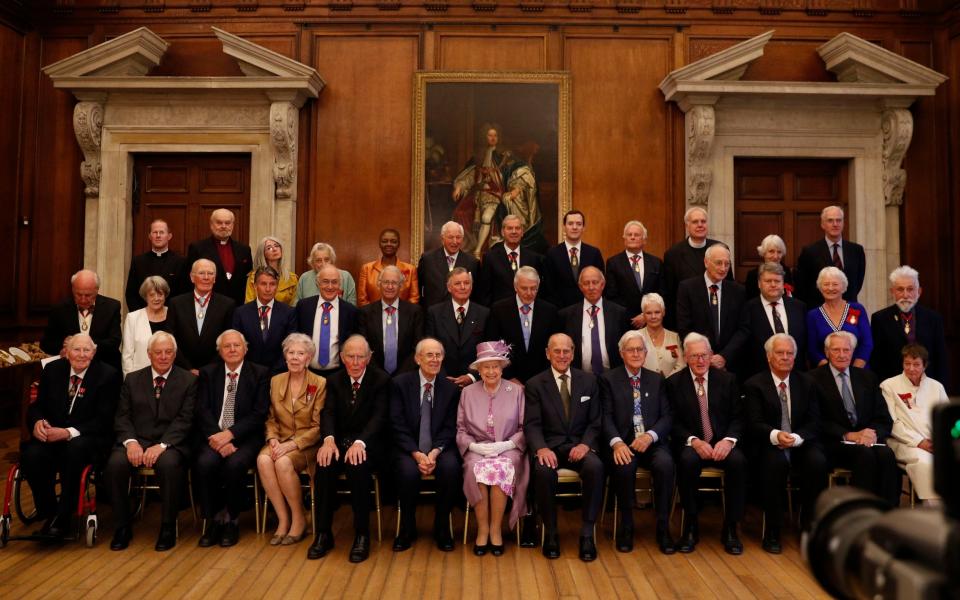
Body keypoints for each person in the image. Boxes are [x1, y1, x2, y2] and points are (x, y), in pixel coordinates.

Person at [21, 334, 120, 538]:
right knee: (31, 454)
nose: (81, 355)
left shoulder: (107, 375)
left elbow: (105, 419)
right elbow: (37, 407)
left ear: (93, 353)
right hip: (52, 436)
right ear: (66, 353)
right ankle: (49, 512)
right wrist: (38, 421)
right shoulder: (53, 370)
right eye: (76, 350)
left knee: (74, 450)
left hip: (89, 437)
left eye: (86, 350)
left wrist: (68, 433)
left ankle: (65, 516)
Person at [106, 331, 197, 551]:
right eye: (158, 352)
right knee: (115, 464)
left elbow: (186, 419)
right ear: (149, 354)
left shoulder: (188, 380)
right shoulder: (133, 379)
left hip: (171, 443)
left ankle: (167, 526)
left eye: (168, 352)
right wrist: (131, 442)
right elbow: (122, 416)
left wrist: (163, 445)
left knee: (168, 464)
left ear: (175, 355)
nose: (163, 356)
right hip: (137, 440)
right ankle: (122, 526)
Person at [742, 334, 828, 554]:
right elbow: (753, 424)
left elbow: (815, 421)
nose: (785, 357)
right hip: (768, 442)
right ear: (769, 357)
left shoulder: (807, 382)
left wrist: (798, 438)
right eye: (780, 353)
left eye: (790, 353)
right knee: (774, 465)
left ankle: (810, 527)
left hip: (800, 441)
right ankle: (773, 530)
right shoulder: (754, 384)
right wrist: (776, 435)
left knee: (817, 462)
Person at [310, 335, 390, 563]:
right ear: (342, 358)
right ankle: (323, 534)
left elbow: (379, 418)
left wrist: (360, 442)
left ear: (368, 358)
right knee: (324, 465)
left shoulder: (381, 380)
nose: (355, 362)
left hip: (369, 443)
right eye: (350, 357)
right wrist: (328, 439)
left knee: (358, 466)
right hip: (339, 440)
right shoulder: (334, 381)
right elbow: (328, 413)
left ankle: (362, 534)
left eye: (360, 357)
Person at [524, 333, 604, 561]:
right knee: (542, 472)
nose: (561, 355)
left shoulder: (589, 381)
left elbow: (595, 421)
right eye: (556, 351)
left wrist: (585, 445)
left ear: (573, 353)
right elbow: (532, 424)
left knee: (595, 468)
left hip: (580, 445)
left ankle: (587, 534)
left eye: (566, 351)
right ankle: (551, 532)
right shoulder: (535, 384)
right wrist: (540, 448)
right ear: (548, 353)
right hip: (550, 447)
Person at [666, 333, 746, 555]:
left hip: (723, 442)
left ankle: (731, 527)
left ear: (711, 355)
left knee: (738, 462)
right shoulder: (674, 383)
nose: (700, 361)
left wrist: (729, 441)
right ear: (685, 357)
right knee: (686, 460)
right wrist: (693, 441)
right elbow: (672, 421)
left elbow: (739, 417)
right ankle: (690, 526)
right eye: (694, 356)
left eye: (704, 355)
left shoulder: (727, 380)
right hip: (692, 443)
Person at [599, 331, 675, 554]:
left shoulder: (656, 379)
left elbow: (667, 416)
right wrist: (617, 443)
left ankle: (663, 527)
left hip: (651, 441)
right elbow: (605, 416)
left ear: (646, 352)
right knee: (624, 466)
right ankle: (626, 525)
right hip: (623, 442)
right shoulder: (607, 379)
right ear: (621, 354)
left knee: (665, 464)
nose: (635, 354)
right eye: (630, 350)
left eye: (639, 349)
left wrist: (650, 436)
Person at [193, 330, 269, 547]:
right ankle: (214, 519)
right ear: (220, 351)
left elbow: (259, 413)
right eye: (227, 346)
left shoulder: (260, 373)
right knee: (205, 463)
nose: (233, 350)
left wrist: (231, 435)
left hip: (245, 437)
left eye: (237, 345)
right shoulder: (208, 373)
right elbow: (202, 409)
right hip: (214, 436)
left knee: (235, 465)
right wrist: (218, 438)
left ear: (246, 348)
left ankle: (232, 521)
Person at [456, 341, 528, 557]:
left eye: (495, 366)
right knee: (474, 468)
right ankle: (483, 529)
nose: (491, 371)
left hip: (508, 447)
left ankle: (496, 529)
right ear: (478, 370)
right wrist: (473, 446)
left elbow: (525, 427)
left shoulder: (516, 391)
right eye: (485, 367)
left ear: (502, 368)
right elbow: (460, 429)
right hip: (477, 448)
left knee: (501, 468)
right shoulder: (467, 392)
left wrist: (505, 445)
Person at [810, 332, 899, 507]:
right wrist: (848, 435)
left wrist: (872, 434)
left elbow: (883, 418)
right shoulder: (812, 379)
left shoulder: (868, 377)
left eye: (846, 350)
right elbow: (815, 420)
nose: (842, 355)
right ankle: (861, 511)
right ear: (827, 352)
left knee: (887, 454)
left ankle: (888, 512)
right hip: (833, 442)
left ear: (853, 352)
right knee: (864, 454)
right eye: (836, 350)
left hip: (867, 440)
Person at [389, 338, 461, 552]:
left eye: (438, 355)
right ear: (417, 358)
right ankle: (407, 527)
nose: (434, 359)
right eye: (429, 355)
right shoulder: (400, 384)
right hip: (408, 447)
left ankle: (442, 527)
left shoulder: (450, 388)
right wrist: (417, 454)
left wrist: (435, 452)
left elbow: (451, 426)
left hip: (440, 447)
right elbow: (396, 423)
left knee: (450, 468)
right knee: (408, 472)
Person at [257, 333, 325, 547]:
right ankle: (283, 518)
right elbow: (270, 418)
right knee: (264, 460)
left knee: (283, 461)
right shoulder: (276, 381)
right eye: (291, 353)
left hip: (307, 444)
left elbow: (318, 426)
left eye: (300, 353)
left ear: (309, 358)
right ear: (285, 357)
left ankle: (299, 519)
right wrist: (273, 439)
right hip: (280, 439)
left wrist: (292, 445)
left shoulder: (320, 383)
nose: (295, 357)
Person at [451, 123, 540, 257]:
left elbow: (521, 170)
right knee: (460, 212)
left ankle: (478, 250)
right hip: (477, 196)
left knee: (487, 217)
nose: (493, 138)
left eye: (495, 135)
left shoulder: (504, 156)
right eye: (490, 135)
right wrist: (460, 186)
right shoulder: (478, 157)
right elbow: (470, 175)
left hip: (495, 195)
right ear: (484, 137)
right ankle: (469, 246)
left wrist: (516, 189)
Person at [880, 344, 949, 505]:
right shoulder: (888, 385)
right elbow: (892, 422)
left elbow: (945, 419)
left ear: (925, 365)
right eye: (907, 364)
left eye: (916, 364)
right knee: (925, 462)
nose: (911, 369)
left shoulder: (936, 387)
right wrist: (919, 442)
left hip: (935, 443)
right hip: (904, 442)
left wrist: (940, 441)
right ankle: (933, 507)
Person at [871, 266, 949, 387]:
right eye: (900, 289)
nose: (905, 295)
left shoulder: (933, 318)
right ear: (892, 292)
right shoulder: (879, 318)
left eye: (910, 289)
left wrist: (941, 386)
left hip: (927, 383)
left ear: (919, 292)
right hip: (893, 385)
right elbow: (877, 359)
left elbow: (940, 357)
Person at [676, 243, 746, 373]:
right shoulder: (687, 288)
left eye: (727, 264)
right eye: (719, 263)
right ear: (706, 262)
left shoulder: (738, 291)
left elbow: (743, 329)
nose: (723, 268)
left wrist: (724, 356)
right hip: (698, 362)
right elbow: (684, 326)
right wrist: (704, 356)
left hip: (730, 364)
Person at [484, 266, 558, 383]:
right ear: (515, 287)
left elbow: (553, 348)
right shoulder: (499, 310)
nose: (529, 293)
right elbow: (492, 346)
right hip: (507, 379)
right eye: (524, 288)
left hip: (543, 380)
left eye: (533, 288)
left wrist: (543, 378)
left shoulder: (550, 311)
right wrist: (509, 376)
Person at [733, 262, 807, 379]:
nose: (773, 285)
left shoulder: (798, 307)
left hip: (795, 376)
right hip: (760, 377)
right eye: (768, 281)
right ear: (759, 284)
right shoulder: (748, 308)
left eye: (777, 281)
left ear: (783, 284)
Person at [661, 207, 729, 329]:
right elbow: (670, 295)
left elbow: (729, 284)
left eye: (703, 221)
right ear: (687, 226)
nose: (700, 225)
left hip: (717, 316)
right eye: (695, 222)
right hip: (689, 319)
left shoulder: (721, 248)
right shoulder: (673, 254)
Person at [41, 269, 122, 372]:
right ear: (72, 289)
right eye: (78, 295)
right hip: (69, 368)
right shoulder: (59, 309)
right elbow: (46, 343)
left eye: (88, 295)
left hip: (103, 369)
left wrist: (83, 345)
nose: (83, 299)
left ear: (97, 290)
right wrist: (64, 347)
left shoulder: (111, 307)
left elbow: (114, 342)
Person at [166, 259, 236, 374]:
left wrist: (206, 370)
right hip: (181, 371)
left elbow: (228, 341)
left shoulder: (227, 305)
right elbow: (170, 339)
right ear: (192, 277)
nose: (206, 277)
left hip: (214, 372)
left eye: (210, 273)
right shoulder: (176, 303)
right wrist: (187, 368)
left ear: (215, 278)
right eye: (201, 273)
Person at [559, 266, 629, 377]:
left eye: (595, 282)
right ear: (580, 287)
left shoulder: (619, 313)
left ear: (602, 285)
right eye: (586, 283)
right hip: (579, 377)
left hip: (613, 376)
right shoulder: (566, 315)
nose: (591, 287)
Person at [425, 268, 490, 387]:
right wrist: (442, 377)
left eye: (466, 283)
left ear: (471, 286)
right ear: (449, 288)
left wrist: (471, 376)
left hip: (475, 384)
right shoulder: (434, 313)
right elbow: (429, 349)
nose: (463, 287)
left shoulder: (484, 314)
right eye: (457, 283)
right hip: (441, 382)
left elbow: (488, 352)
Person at [358, 265, 424, 375]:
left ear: (401, 286)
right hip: (374, 377)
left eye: (394, 283)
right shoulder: (365, 313)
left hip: (406, 377)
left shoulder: (415, 312)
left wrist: (401, 375)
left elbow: (417, 347)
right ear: (379, 285)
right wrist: (380, 375)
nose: (390, 286)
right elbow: (363, 348)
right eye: (386, 282)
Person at [295, 264, 360, 376]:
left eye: (334, 282)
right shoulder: (303, 307)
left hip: (339, 375)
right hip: (307, 373)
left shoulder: (350, 311)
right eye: (325, 281)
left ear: (340, 284)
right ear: (318, 283)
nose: (330, 287)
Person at [795, 205, 866, 306]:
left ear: (843, 223)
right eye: (830, 221)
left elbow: (857, 283)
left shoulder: (856, 250)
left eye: (839, 220)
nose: (835, 224)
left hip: (849, 310)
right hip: (820, 311)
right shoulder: (810, 252)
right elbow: (802, 287)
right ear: (822, 224)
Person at [231, 266, 296, 374]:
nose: (268, 289)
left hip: (279, 374)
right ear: (255, 286)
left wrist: (275, 371)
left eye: (272, 284)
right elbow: (237, 346)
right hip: (248, 373)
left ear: (277, 286)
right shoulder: (241, 313)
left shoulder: (289, 313)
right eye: (263, 284)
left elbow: (290, 346)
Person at [806, 266, 873, 368]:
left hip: (858, 370)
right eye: (826, 284)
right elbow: (813, 349)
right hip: (826, 374)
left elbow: (867, 343)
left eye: (835, 284)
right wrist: (830, 372)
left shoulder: (857, 309)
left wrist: (854, 371)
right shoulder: (813, 315)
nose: (830, 288)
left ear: (843, 287)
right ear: (820, 287)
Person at [186, 208, 253, 306]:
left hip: (237, 306)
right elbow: (189, 281)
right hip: (209, 305)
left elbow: (248, 280)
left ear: (233, 225)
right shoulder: (198, 248)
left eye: (227, 223)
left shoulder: (244, 250)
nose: (223, 226)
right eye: (219, 223)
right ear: (211, 225)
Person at [475, 214, 544, 307]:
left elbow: (540, 291)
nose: (514, 231)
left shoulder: (534, 258)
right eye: (510, 228)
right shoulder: (490, 258)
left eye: (517, 228)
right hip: (500, 315)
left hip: (527, 312)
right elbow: (484, 293)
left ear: (522, 232)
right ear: (503, 232)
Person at [604, 220, 663, 329]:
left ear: (644, 240)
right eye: (629, 235)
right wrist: (632, 317)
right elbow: (611, 295)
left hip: (651, 321)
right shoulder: (613, 263)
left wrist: (645, 315)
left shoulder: (656, 263)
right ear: (624, 239)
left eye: (636, 235)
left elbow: (661, 292)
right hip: (624, 322)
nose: (632, 237)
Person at [540, 210, 605, 308]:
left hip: (588, 309)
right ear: (564, 227)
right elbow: (548, 287)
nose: (574, 227)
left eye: (579, 224)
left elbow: (601, 284)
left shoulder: (594, 253)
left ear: (583, 228)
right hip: (560, 311)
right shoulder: (552, 254)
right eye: (570, 224)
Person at [125, 219, 185, 310]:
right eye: (155, 232)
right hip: (143, 317)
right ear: (149, 236)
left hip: (171, 317)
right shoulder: (138, 261)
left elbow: (183, 294)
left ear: (169, 236)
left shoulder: (180, 262)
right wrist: (140, 316)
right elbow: (131, 294)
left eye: (161, 232)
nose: (158, 236)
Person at [417, 221, 480, 307]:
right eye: (450, 237)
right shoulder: (427, 259)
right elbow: (418, 288)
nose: (455, 241)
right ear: (442, 239)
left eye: (458, 237)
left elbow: (477, 293)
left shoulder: (473, 262)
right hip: (433, 314)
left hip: (461, 313)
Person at [121, 275, 171, 376]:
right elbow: (127, 355)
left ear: (165, 295)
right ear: (145, 296)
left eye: (160, 294)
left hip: (171, 376)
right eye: (152, 295)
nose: (156, 298)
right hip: (140, 377)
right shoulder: (133, 318)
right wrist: (130, 381)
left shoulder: (173, 314)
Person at [357, 228, 420, 306]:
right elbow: (362, 299)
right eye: (384, 241)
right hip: (372, 316)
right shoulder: (367, 268)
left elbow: (414, 298)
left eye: (393, 241)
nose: (389, 244)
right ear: (379, 244)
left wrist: (402, 314)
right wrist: (375, 315)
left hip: (403, 316)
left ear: (398, 244)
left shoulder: (410, 270)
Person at [637, 293, 685, 378]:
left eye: (657, 312)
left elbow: (681, 364)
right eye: (648, 313)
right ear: (643, 315)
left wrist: (668, 382)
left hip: (672, 387)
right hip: (644, 387)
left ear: (663, 312)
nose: (653, 316)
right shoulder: (636, 337)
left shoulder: (675, 337)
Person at [244, 235, 298, 306]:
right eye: (269, 248)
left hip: (285, 315)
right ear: (263, 254)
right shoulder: (253, 277)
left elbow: (294, 306)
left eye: (277, 246)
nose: (275, 249)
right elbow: (249, 304)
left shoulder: (292, 278)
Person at [743, 234, 795, 300]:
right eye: (771, 251)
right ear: (763, 253)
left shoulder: (787, 272)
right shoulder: (753, 275)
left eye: (779, 252)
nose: (775, 256)